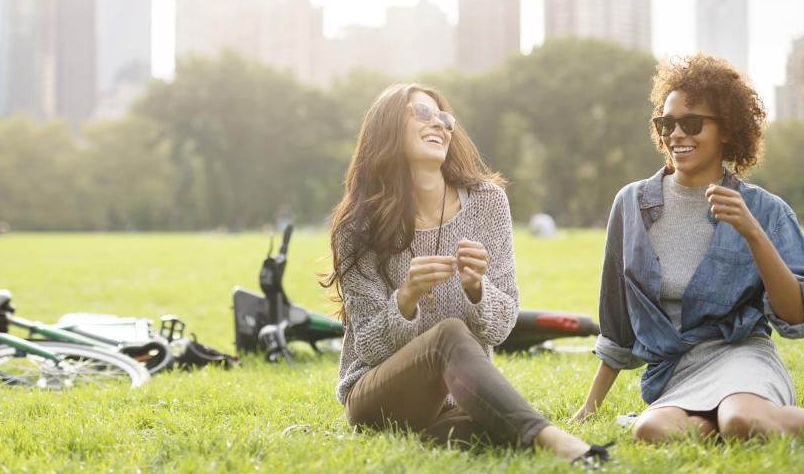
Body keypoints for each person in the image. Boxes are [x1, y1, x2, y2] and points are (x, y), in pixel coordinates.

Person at [321, 82, 609, 464]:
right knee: (448, 336)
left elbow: (502, 326)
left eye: (445, 118)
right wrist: (406, 298)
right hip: (378, 395)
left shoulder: (488, 204)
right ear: (387, 128)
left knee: (490, 433)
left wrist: (477, 289)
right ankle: (555, 441)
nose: (440, 125)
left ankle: (439, 435)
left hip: (458, 400)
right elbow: (370, 348)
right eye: (423, 113)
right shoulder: (358, 225)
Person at [573, 54, 804, 442]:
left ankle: (741, 415)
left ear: (726, 129)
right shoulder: (630, 203)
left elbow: (794, 315)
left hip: (741, 354)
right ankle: (712, 421)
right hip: (675, 369)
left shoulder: (766, 210)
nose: (676, 134)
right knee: (650, 431)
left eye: (691, 123)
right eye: (666, 124)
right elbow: (616, 323)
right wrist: (590, 406)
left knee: (744, 421)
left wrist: (753, 233)